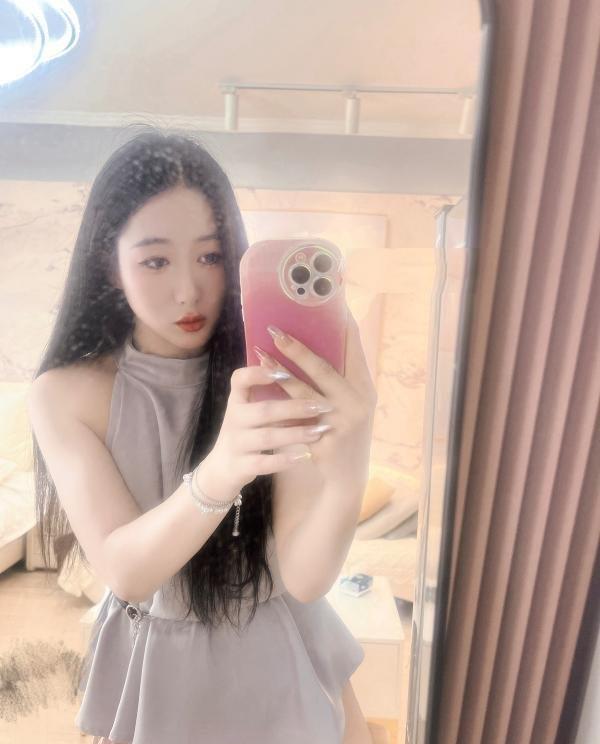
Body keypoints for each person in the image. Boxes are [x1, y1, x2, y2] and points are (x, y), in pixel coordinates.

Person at [27, 130, 377, 744]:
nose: (189, 291)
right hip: (160, 671)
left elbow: (303, 578)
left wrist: (351, 463)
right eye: (156, 261)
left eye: (211, 257)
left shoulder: (267, 371)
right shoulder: (66, 394)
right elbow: (126, 571)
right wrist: (224, 468)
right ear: (110, 264)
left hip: (283, 658)